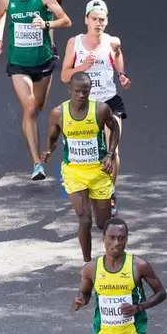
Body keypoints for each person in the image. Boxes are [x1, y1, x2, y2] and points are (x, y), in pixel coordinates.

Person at [0, 0, 71, 181]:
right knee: (28, 108)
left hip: (43, 62)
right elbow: (0, 15)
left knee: (37, 108)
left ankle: (37, 133)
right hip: (18, 64)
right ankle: (37, 163)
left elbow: (66, 20)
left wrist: (46, 24)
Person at [61, 0, 131, 215]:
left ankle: (109, 193)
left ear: (106, 21)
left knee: (113, 150)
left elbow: (118, 64)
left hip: (109, 102)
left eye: (102, 19)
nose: (98, 23)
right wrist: (82, 67)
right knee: (88, 152)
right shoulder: (75, 43)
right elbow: (64, 75)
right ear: (86, 20)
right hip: (84, 105)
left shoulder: (112, 42)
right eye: (94, 19)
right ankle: (83, 188)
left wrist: (122, 76)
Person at [41, 71, 119, 260]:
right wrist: (49, 150)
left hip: (99, 172)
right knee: (84, 219)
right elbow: (53, 135)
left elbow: (114, 128)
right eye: (77, 91)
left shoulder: (100, 110)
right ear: (69, 89)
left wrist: (110, 154)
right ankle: (87, 263)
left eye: (86, 91)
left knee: (103, 224)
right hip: (73, 172)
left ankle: (111, 248)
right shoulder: (59, 113)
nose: (82, 95)